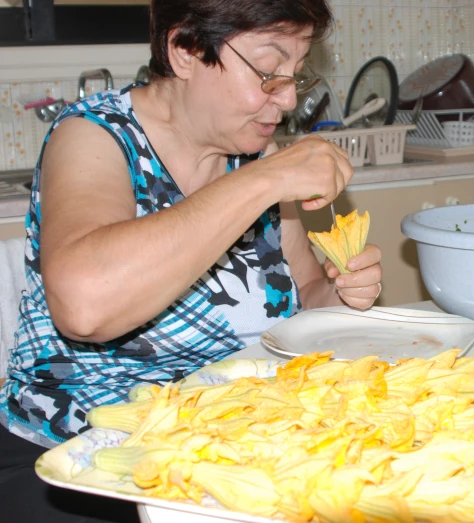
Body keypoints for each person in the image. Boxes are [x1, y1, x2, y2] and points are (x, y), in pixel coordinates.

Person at [0, 0, 382, 521]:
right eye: (269, 73)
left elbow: (305, 294)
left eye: (296, 74)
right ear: (184, 50)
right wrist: (263, 181)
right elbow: (85, 307)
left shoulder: (257, 157)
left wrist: (340, 294)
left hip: (224, 456)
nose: (289, 99)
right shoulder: (93, 135)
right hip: (78, 462)